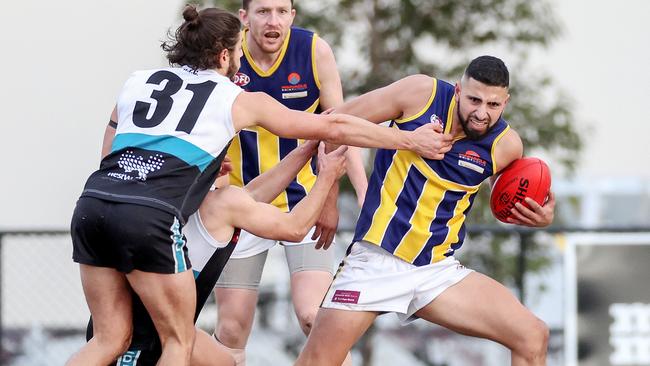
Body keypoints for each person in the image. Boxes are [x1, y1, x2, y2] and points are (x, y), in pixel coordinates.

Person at [67, 5, 451, 366]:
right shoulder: (234, 98)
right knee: (178, 342)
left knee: (107, 339)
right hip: (149, 220)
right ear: (223, 56)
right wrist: (410, 140)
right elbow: (333, 124)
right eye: (235, 53)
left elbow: (114, 139)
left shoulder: (137, 80)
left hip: (93, 205)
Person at [295, 56, 557, 366]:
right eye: (474, 100)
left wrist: (542, 215)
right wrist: (328, 197)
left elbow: (508, 195)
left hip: (436, 271)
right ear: (458, 90)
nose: (481, 113)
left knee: (533, 335)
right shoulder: (420, 94)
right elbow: (333, 124)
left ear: (506, 102)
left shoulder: (506, 145)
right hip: (376, 260)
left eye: (493, 105)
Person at [213, 1, 364, 364]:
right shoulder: (226, 55)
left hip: (304, 203)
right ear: (245, 18)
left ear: (293, 16)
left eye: (282, 11)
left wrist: (361, 196)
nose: (273, 21)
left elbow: (340, 128)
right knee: (232, 330)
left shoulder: (314, 51)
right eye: (264, 11)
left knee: (315, 318)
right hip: (242, 205)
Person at [104, 140, 347, 366]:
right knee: (181, 343)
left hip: (158, 326)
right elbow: (295, 228)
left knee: (224, 361)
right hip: (143, 334)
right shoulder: (178, 211)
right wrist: (326, 178)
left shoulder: (215, 204)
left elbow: (254, 194)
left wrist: (306, 149)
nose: (225, 168)